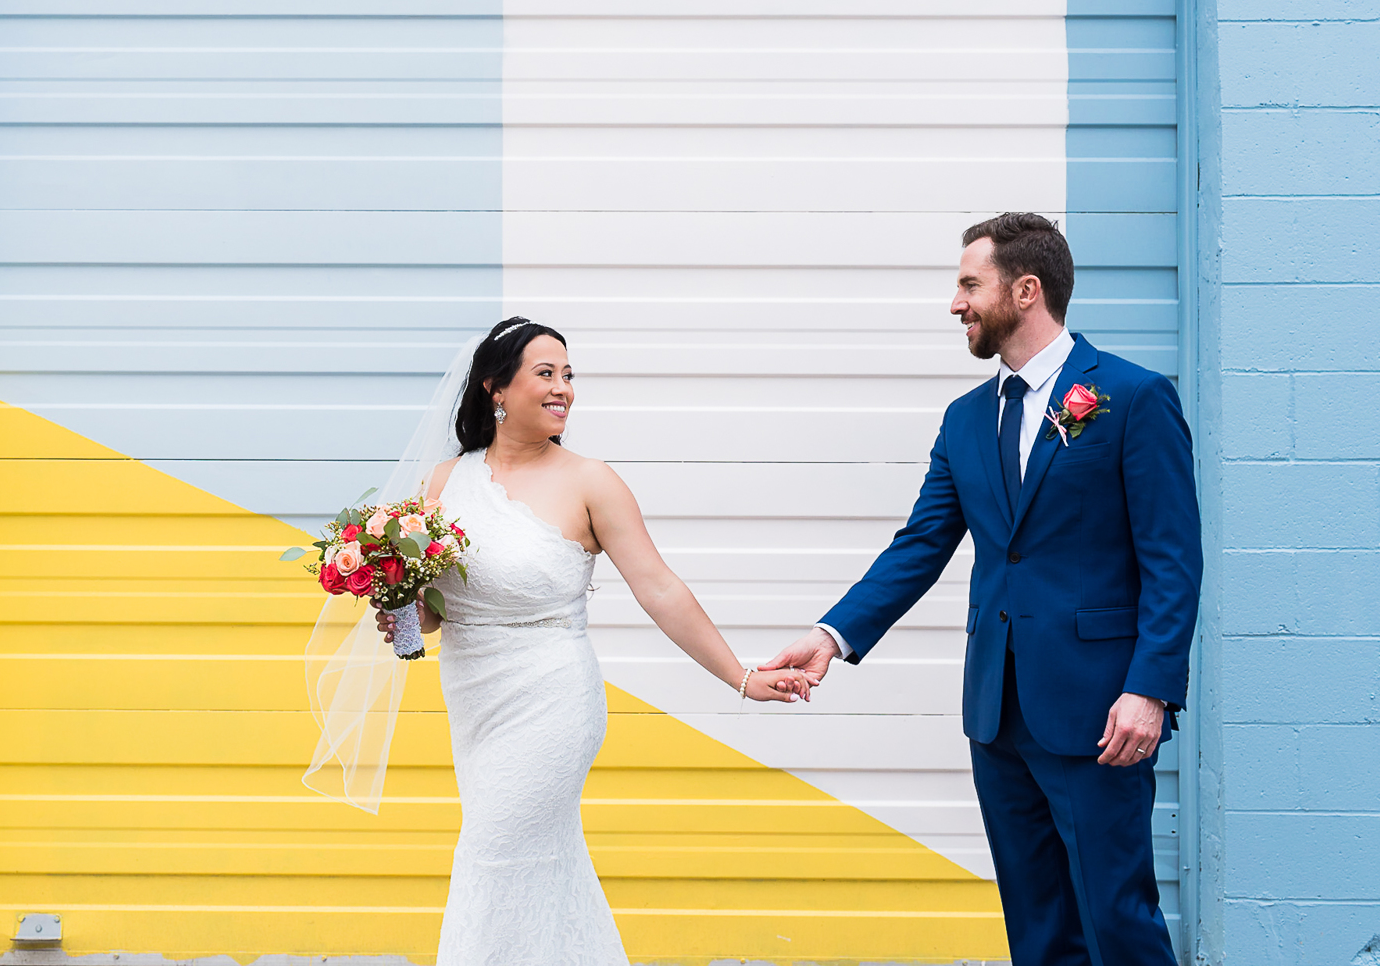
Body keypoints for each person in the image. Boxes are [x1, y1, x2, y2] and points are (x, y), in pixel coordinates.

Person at [760, 213, 1202, 966]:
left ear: (1025, 290)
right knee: (1036, 927)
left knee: (1118, 916)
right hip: (998, 714)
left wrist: (1150, 689)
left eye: (970, 283)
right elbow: (921, 545)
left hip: (1101, 711)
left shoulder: (1132, 397)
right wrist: (832, 634)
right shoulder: (966, 419)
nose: (956, 303)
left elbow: (1173, 558)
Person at [375, 317, 813, 966]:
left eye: (568, 374)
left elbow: (660, 588)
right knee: (541, 864)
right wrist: (397, 610)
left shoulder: (590, 481)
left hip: (553, 699)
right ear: (496, 386)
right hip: (476, 700)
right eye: (546, 373)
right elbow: (433, 615)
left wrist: (741, 676)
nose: (564, 389)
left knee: (495, 850)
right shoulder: (442, 484)